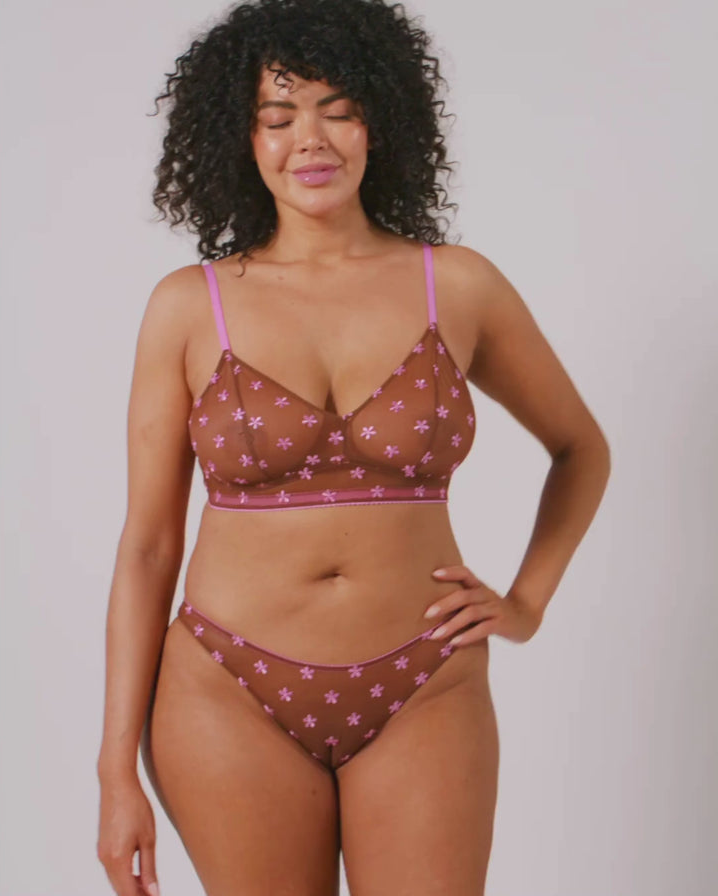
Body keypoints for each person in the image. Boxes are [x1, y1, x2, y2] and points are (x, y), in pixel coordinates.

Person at [96, 1, 611, 894]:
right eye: (278, 116)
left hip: (425, 682)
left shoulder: (459, 285)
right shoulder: (187, 305)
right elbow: (147, 547)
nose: (311, 139)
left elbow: (580, 448)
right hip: (227, 686)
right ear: (241, 138)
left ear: (381, 122)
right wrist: (114, 773)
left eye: (339, 110)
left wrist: (526, 603)